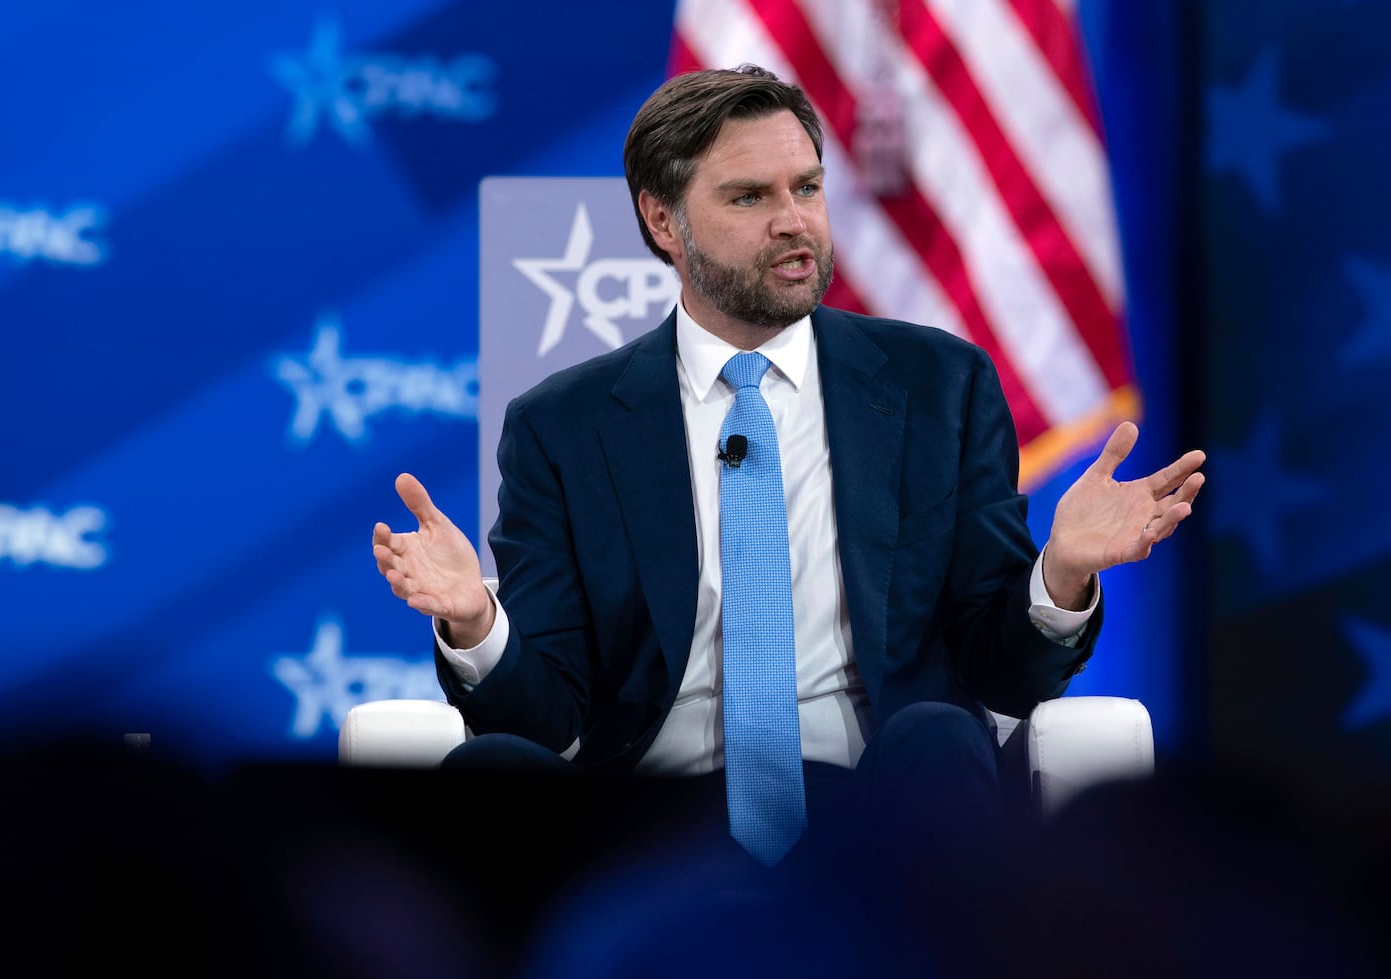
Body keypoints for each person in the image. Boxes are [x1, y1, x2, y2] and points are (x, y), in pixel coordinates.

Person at [372, 65, 1203, 867]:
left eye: (806, 188)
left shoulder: (938, 386)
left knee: (941, 732)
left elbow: (1002, 671)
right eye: (749, 196)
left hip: (879, 810)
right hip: (648, 826)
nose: (794, 221)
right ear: (663, 221)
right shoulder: (562, 426)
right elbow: (544, 716)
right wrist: (477, 624)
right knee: (487, 773)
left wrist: (1059, 574)